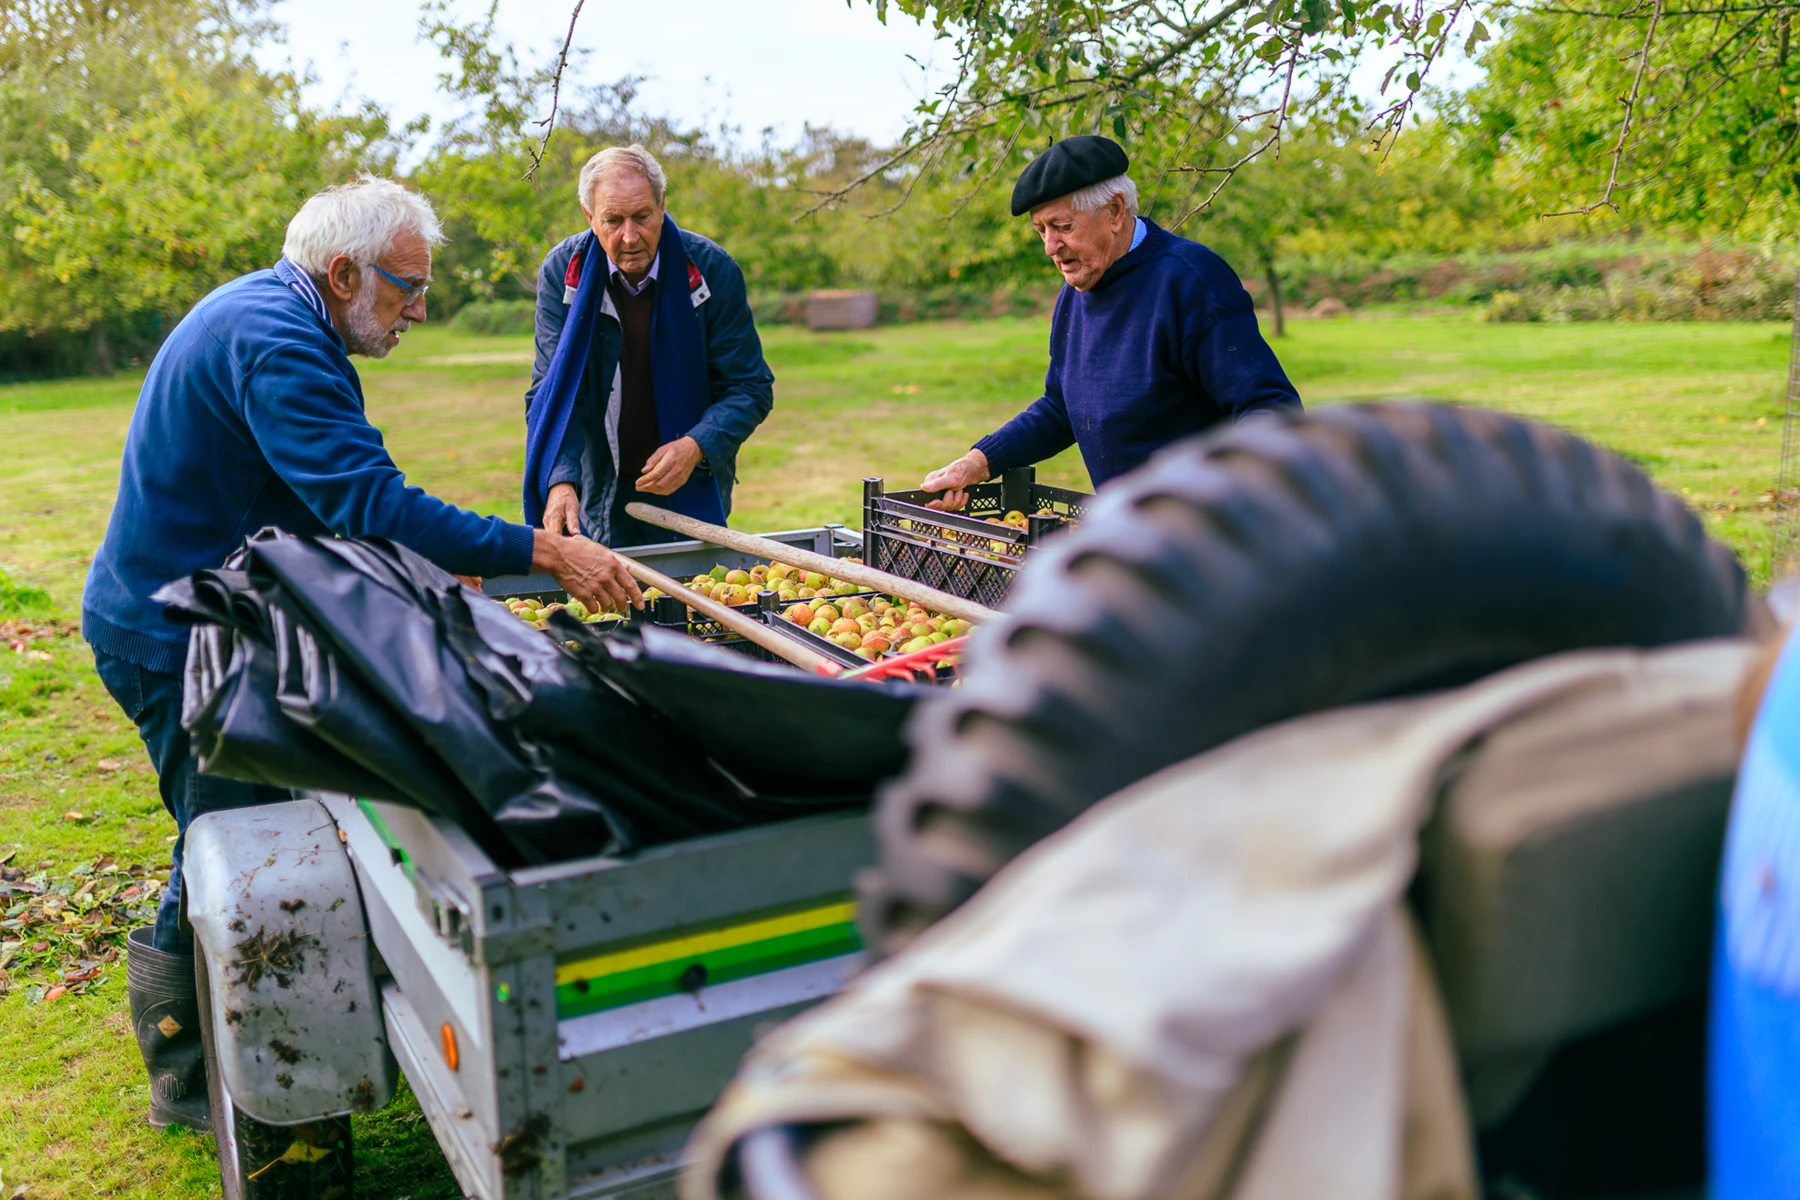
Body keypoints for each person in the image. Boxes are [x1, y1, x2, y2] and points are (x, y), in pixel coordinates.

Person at [82, 176, 641, 1133]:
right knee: (236, 840)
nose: (418, 310)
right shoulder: (277, 342)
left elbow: (317, 505)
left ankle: (215, 1046)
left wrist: (429, 578)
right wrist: (544, 550)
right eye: (404, 288)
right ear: (343, 273)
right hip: (173, 636)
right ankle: (197, 1075)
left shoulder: (283, 314)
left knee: (245, 821)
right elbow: (368, 501)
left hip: (218, 612)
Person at [919, 136, 1302, 510]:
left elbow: (1270, 408)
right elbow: (1061, 408)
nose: (1050, 247)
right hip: (1130, 531)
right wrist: (977, 463)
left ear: (1116, 211)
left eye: (1063, 227)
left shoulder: (1190, 280)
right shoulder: (1076, 293)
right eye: (1042, 231)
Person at [524, 144, 774, 547]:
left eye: (642, 217)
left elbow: (750, 387)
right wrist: (560, 476)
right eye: (612, 220)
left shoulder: (711, 269)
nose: (629, 236)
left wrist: (696, 445)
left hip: (691, 478)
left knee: (693, 597)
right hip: (597, 479)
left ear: (662, 205)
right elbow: (550, 391)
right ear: (589, 217)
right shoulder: (562, 272)